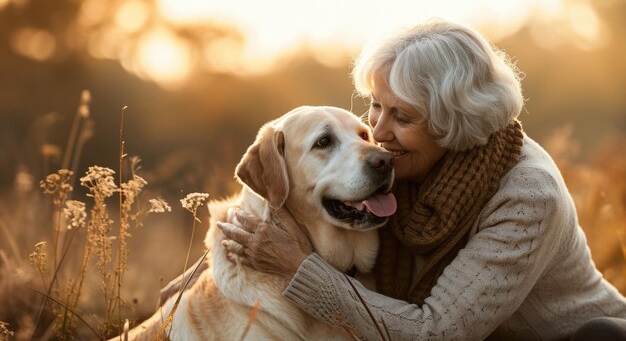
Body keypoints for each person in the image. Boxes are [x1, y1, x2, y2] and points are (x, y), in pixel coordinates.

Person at [217, 19, 626, 340]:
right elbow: (277, 221)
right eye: (375, 105)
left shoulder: (528, 197)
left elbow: (438, 332)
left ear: (453, 124)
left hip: (587, 336)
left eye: (403, 117)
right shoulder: (400, 162)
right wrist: (198, 279)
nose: (378, 131)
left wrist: (298, 270)